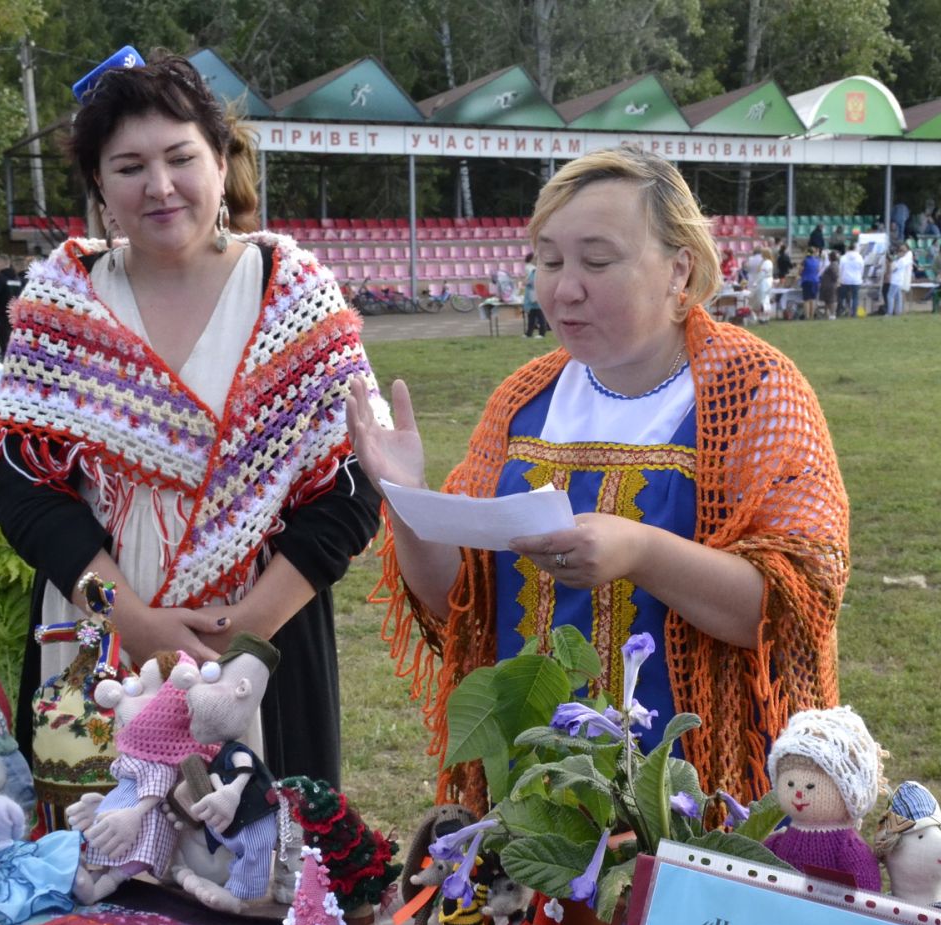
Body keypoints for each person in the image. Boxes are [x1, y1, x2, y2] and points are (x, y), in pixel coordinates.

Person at [357, 145, 849, 807]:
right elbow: (460, 603)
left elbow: (795, 606)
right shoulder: (522, 399)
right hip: (534, 791)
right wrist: (408, 500)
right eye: (549, 260)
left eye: (597, 260)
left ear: (681, 269)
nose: (564, 288)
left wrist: (639, 551)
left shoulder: (755, 392)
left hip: (698, 792)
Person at [0, 50, 382, 785]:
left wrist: (244, 631)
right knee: (100, 862)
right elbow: (23, 491)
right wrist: (129, 618)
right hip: (97, 636)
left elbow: (352, 489)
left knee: (251, 861)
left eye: (180, 158)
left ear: (221, 161)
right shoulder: (59, 307)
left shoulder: (296, 300)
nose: (159, 187)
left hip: (264, 644)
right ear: (98, 183)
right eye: (129, 167)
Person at [0, 254, 24, 352]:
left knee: (4, 341)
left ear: (0, 263)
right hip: (16, 315)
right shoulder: (18, 279)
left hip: (3, 315)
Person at [522, 252, 549, 337]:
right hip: (532, 296)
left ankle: (542, 333)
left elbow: (533, 282)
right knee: (531, 316)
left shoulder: (536, 270)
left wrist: (526, 282)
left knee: (540, 316)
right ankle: (529, 333)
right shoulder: (533, 270)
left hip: (537, 295)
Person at [836, 240, 863, 319]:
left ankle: (839, 311)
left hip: (845, 279)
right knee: (855, 297)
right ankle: (853, 313)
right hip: (856, 280)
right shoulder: (859, 257)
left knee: (841, 297)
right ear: (855, 248)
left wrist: (840, 278)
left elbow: (840, 269)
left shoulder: (843, 258)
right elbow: (862, 268)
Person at [887, 240, 913, 315]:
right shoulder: (900, 260)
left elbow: (893, 269)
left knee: (890, 296)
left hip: (896, 280)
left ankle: (889, 312)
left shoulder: (901, 261)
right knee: (898, 296)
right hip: (898, 280)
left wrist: (892, 262)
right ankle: (898, 311)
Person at [798, 245, 822, 318]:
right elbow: (818, 270)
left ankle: (807, 316)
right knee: (813, 299)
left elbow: (800, 271)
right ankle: (812, 315)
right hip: (815, 280)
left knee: (806, 299)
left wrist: (802, 273)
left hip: (807, 280)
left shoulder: (805, 261)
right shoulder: (817, 260)